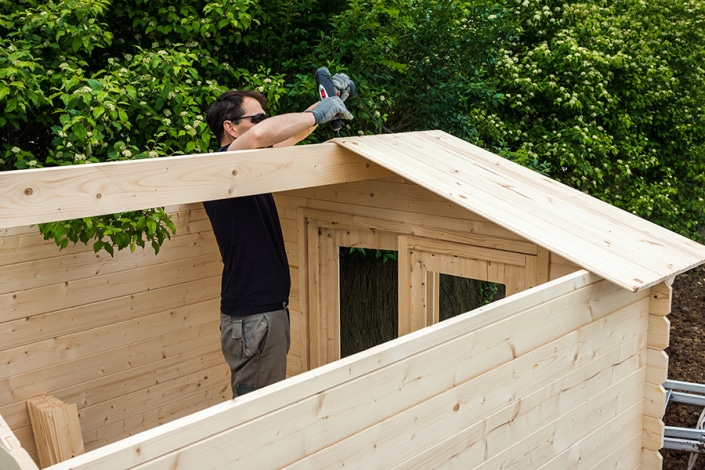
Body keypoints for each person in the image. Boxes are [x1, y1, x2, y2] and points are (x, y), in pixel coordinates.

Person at [203, 86, 353, 398]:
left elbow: (285, 135)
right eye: (255, 118)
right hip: (252, 318)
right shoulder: (219, 167)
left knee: (263, 406)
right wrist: (316, 114)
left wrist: (329, 104)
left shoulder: (250, 166)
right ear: (230, 128)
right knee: (257, 415)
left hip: (261, 315)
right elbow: (264, 135)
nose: (263, 124)